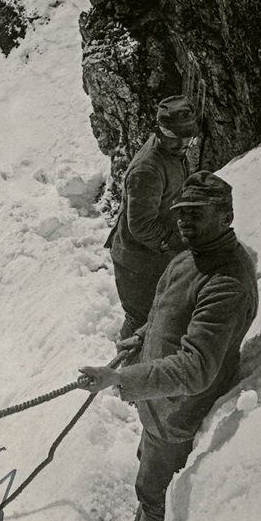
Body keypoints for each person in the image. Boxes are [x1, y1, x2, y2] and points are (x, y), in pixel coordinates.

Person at [81, 171, 259, 521]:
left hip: (178, 413)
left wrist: (119, 380)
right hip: (160, 404)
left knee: (156, 496)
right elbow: (170, 312)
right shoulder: (193, 257)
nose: (183, 220)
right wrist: (142, 337)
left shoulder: (226, 281)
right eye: (181, 211)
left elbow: (196, 368)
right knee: (147, 481)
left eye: (196, 212)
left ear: (226, 215)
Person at [106, 96, 200, 344]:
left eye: (188, 137)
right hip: (137, 263)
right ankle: (123, 377)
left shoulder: (173, 149)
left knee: (162, 317)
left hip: (154, 256)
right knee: (141, 321)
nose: (182, 144)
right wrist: (175, 243)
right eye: (174, 136)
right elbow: (141, 225)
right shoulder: (148, 169)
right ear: (160, 131)